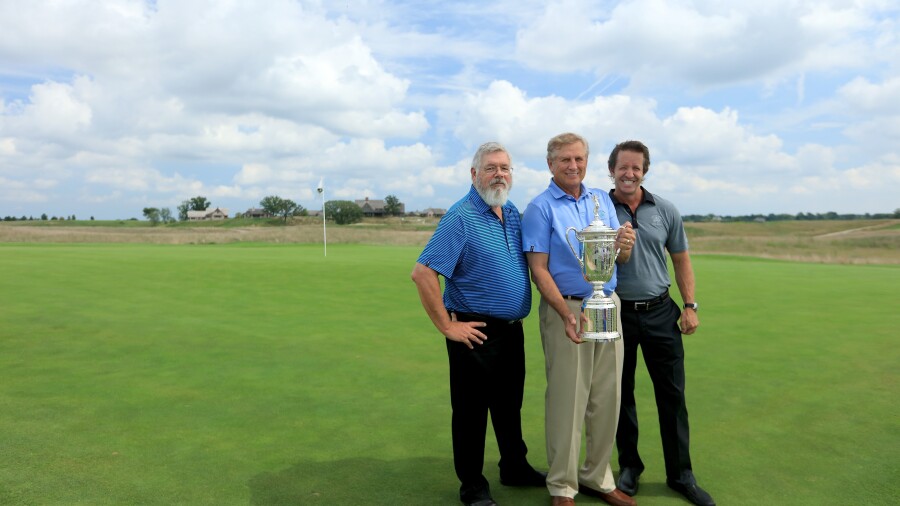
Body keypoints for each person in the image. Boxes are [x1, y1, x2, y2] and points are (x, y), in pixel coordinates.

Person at [411, 142, 547, 506]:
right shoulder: (461, 216)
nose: (499, 174)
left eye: (505, 167)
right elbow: (423, 273)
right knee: (471, 413)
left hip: (511, 330)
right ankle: (472, 485)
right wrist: (447, 326)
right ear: (474, 174)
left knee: (508, 406)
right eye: (491, 168)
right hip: (474, 332)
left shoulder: (512, 211)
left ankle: (514, 467)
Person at [521, 132, 637, 506]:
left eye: (579, 159)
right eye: (565, 160)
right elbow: (539, 270)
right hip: (566, 308)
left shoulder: (602, 199)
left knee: (607, 396)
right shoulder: (540, 208)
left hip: (607, 304)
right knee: (568, 399)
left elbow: (615, 260)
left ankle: (597, 477)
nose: (573, 166)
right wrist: (563, 313)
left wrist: (623, 249)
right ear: (550, 164)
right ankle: (562, 485)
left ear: (587, 161)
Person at [607, 140, 715, 506]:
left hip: (660, 312)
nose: (629, 173)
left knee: (672, 395)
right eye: (623, 167)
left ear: (645, 171)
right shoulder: (600, 208)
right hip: (617, 313)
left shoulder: (665, 209)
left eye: (636, 167)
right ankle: (630, 467)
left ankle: (681, 474)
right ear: (612, 170)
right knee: (621, 395)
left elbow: (682, 260)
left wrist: (690, 305)